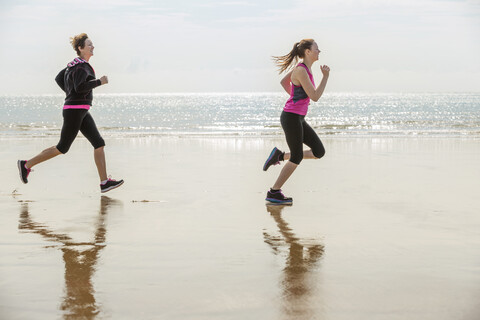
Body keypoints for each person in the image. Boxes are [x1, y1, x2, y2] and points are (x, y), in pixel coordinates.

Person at [17, 33, 124, 193]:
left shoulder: (73, 65)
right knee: (62, 147)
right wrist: (99, 82)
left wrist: (70, 95)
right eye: (89, 44)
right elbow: (80, 87)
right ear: (80, 48)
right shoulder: (81, 66)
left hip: (79, 110)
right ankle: (26, 165)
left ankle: (104, 182)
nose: (92, 46)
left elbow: (59, 78)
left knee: (98, 144)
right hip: (75, 111)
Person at [263, 39, 330, 204]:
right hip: (291, 117)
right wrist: (326, 77)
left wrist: (295, 97)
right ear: (308, 51)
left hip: (298, 117)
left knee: (318, 152)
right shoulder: (301, 71)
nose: (319, 51)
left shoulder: (304, 69)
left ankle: (279, 156)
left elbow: (284, 82)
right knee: (297, 156)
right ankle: (274, 192)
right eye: (316, 48)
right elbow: (314, 96)